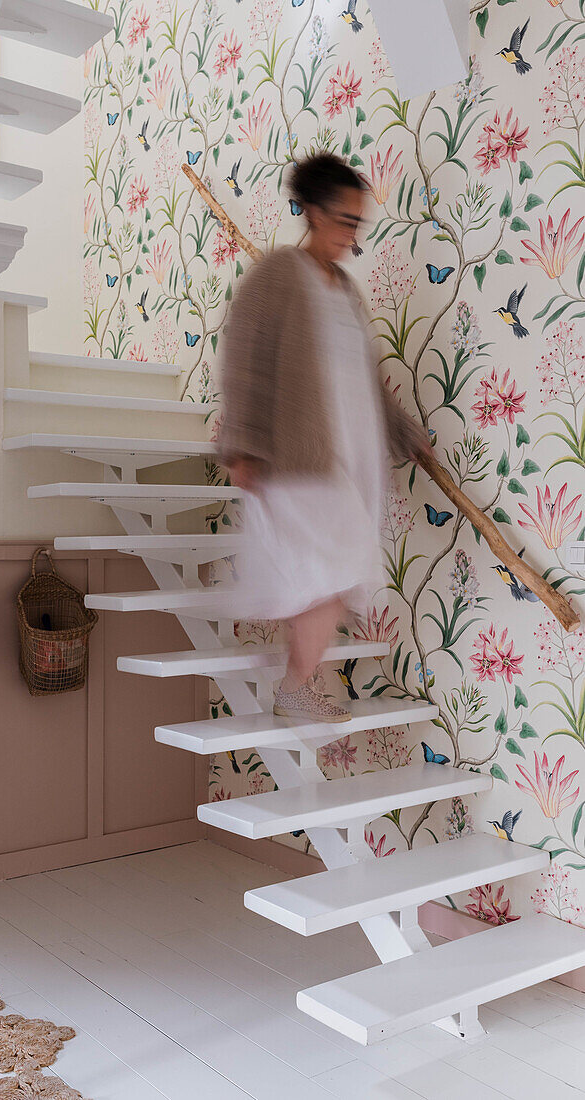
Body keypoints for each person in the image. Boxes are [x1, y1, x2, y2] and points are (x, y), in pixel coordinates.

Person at [218, 153, 429, 723]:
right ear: (309, 211)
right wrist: (240, 444)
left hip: (345, 455)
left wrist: (404, 432)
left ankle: (297, 683)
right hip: (296, 457)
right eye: (341, 219)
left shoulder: (346, 291)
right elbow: (243, 360)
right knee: (335, 570)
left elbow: (366, 377)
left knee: (332, 574)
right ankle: (295, 685)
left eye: (357, 223)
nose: (349, 234)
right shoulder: (277, 275)